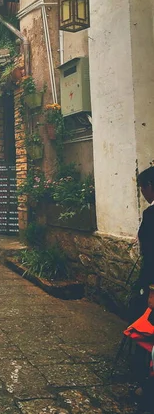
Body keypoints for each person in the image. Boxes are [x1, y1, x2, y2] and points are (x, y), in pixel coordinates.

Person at [132, 167, 154, 410]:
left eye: (142, 187)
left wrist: (150, 289)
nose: (142, 192)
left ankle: (148, 387)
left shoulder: (151, 215)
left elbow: (151, 256)